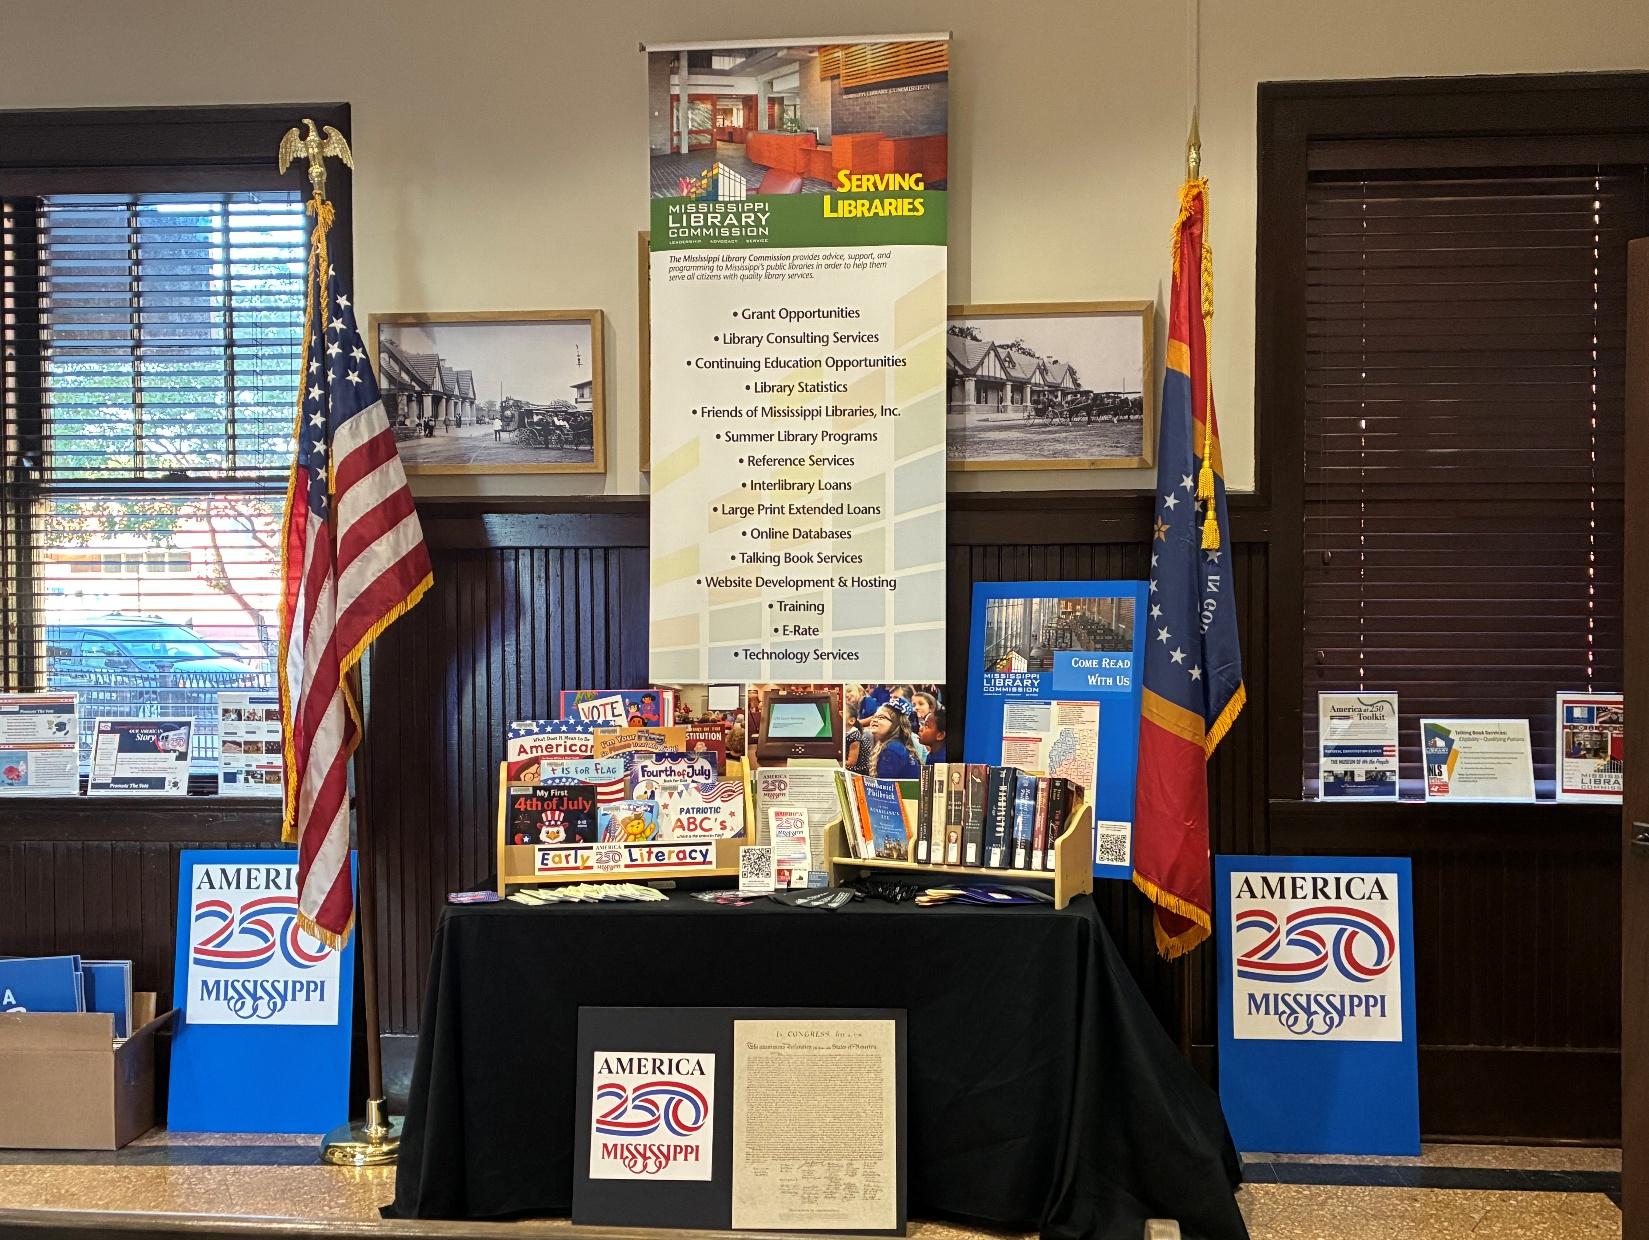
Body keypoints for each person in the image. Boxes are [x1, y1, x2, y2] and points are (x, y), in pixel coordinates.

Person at [861, 697, 922, 780]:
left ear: (895, 724)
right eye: (874, 717)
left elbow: (885, 787)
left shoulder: (891, 749)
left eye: (881, 717)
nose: (875, 720)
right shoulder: (895, 745)